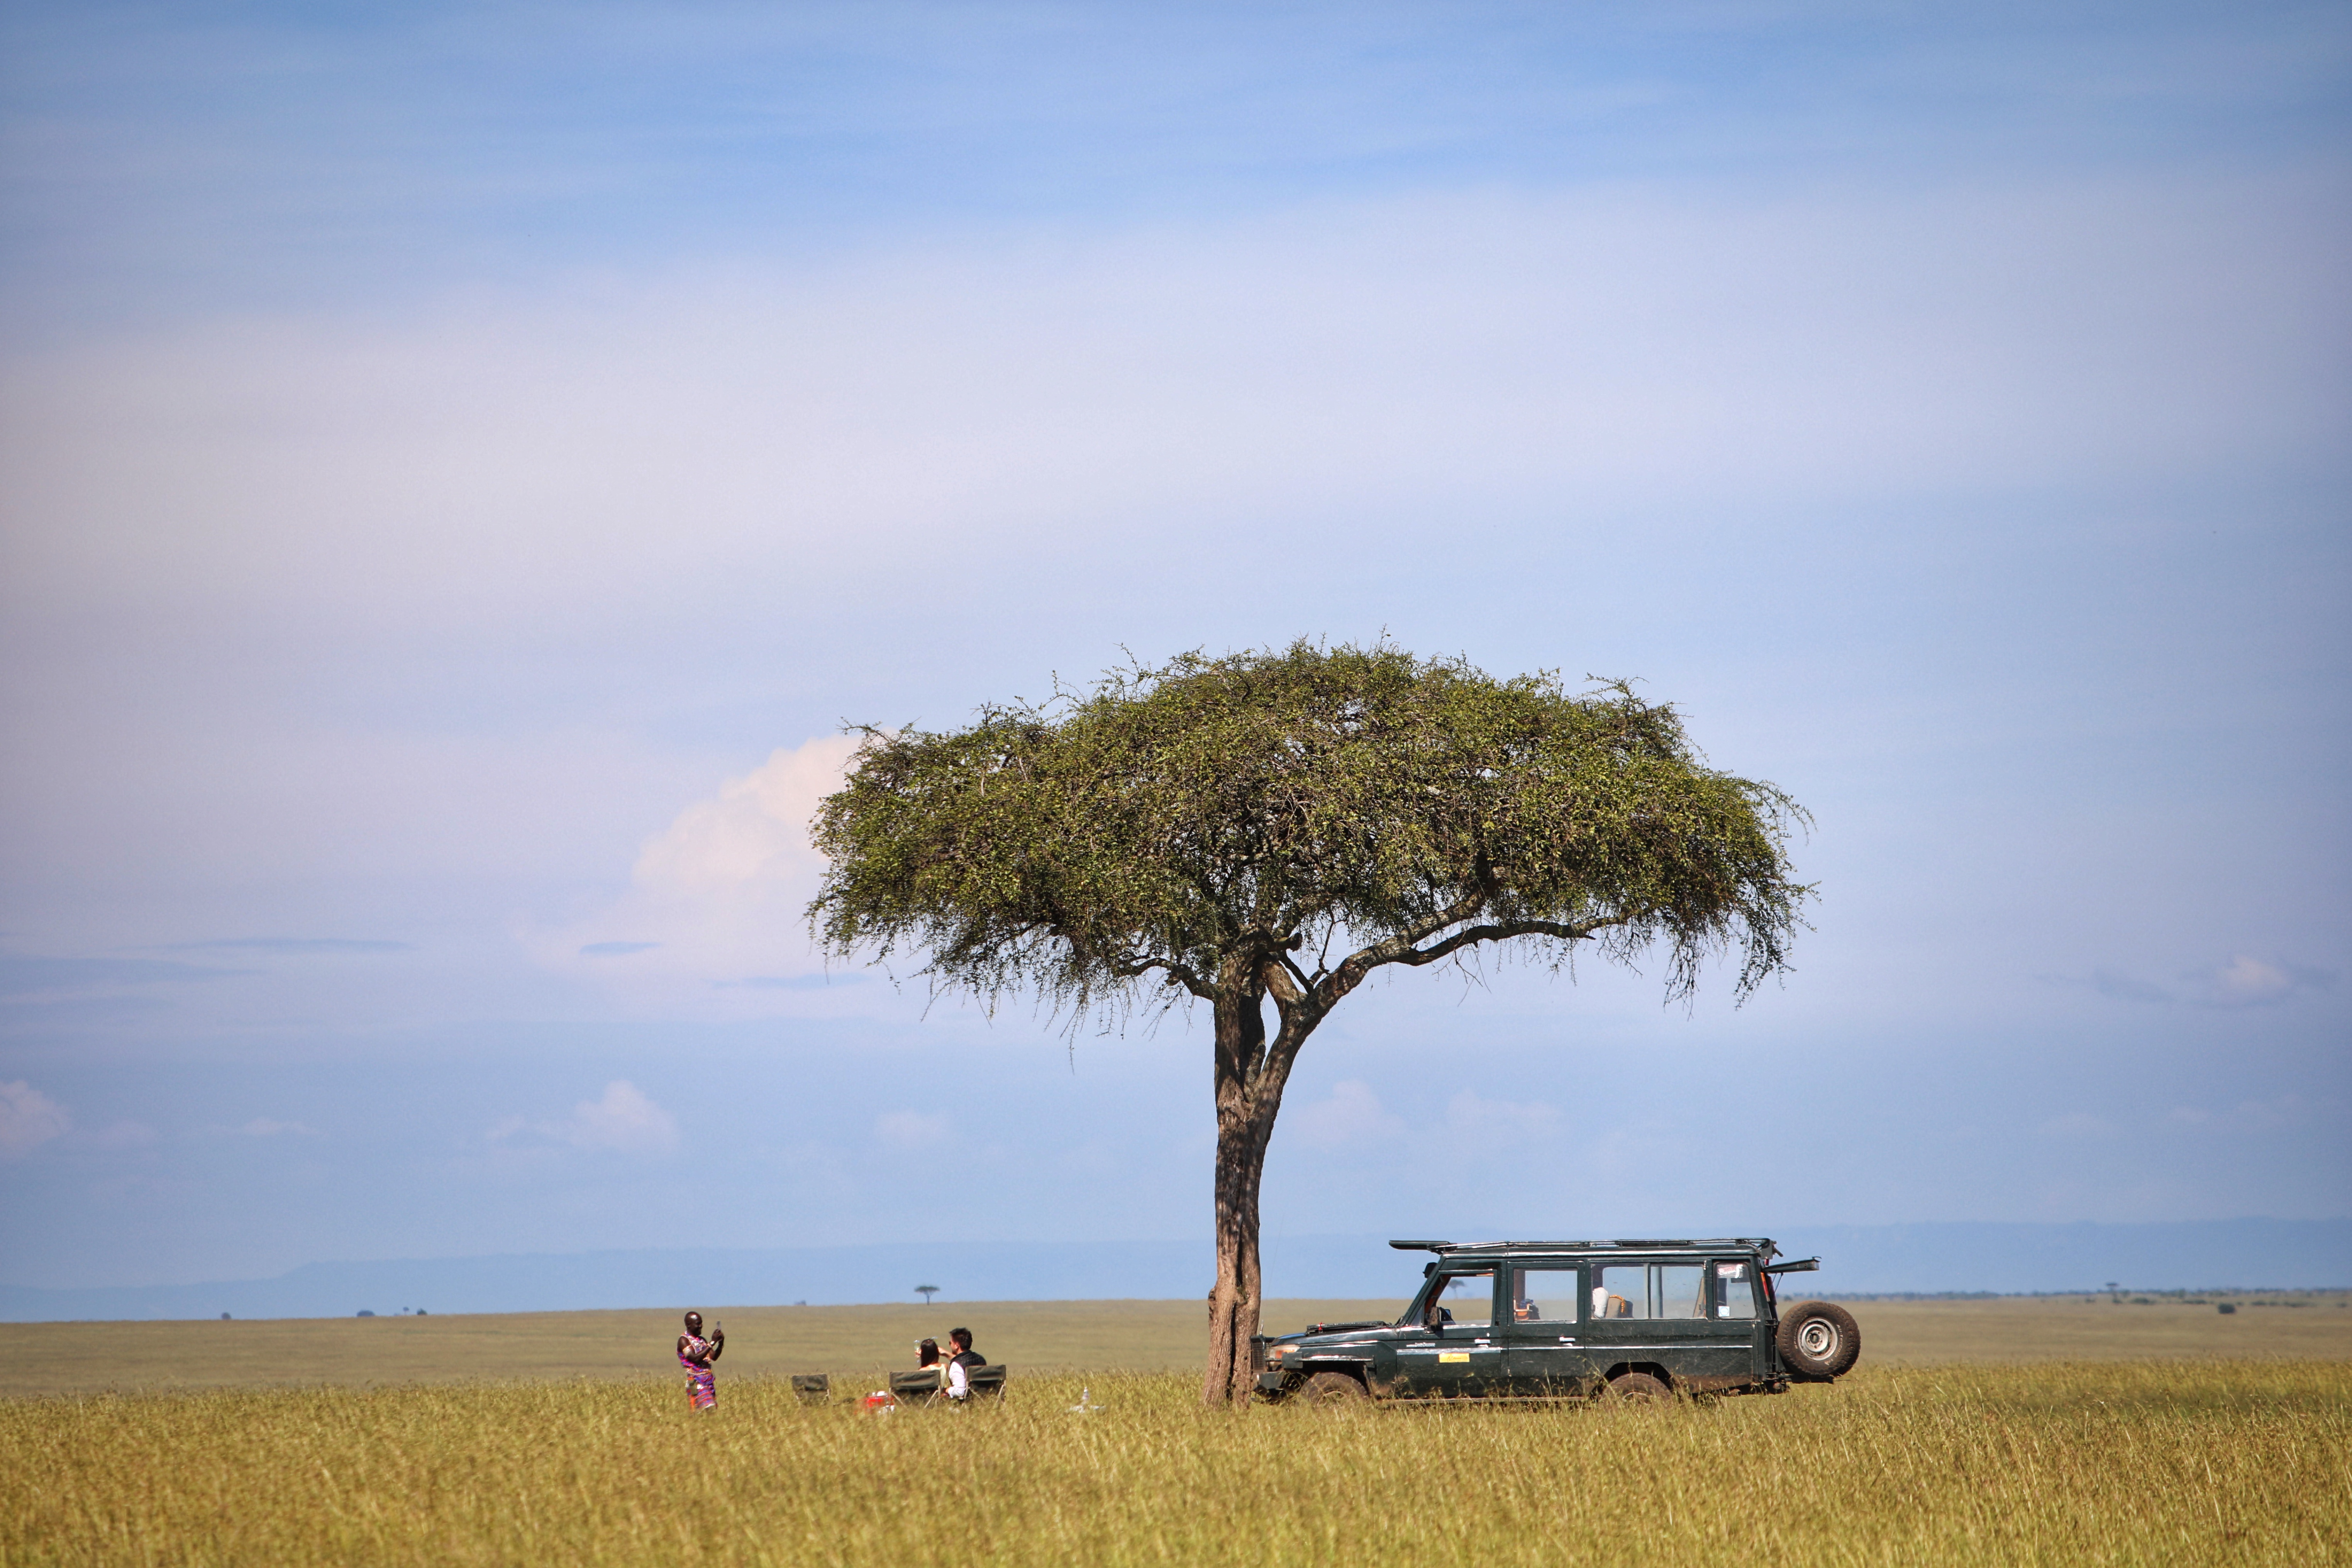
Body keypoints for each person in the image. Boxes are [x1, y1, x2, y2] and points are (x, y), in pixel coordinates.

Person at [677, 1310, 724, 1410]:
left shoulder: (702, 1340)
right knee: (707, 1409)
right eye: (698, 1324)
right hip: (697, 1382)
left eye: (701, 1323)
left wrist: (720, 1344)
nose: (701, 1326)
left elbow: (714, 1357)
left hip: (708, 1381)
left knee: (712, 1411)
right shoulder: (684, 1341)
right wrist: (712, 1342)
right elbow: (695, 1359)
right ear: (689, 1325)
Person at [943, 1327, 985, 1401]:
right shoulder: (981, 1359)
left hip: (967, 1404)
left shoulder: (956, 1365)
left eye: (950, 1343)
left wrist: (946, 1390)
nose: (950, 1345)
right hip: (983, 1401)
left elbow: (959, 1392)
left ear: (956, 1345)